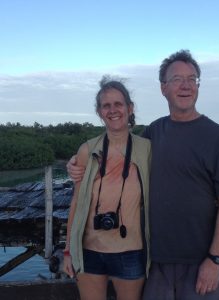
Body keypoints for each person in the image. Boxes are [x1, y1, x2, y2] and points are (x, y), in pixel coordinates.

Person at [68, 50, 219, 300]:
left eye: (192, 79)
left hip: (201, 262)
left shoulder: (218, 137)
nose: (185, 85)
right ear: (163, 88)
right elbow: (116, 147)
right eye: (177, 79)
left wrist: (215, 259)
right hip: (154, 263)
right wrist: (75, 164)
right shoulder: (152, 134)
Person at [63, 76, 151, 300]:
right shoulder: (87, 150)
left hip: (131, 251)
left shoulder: (146, 149)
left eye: (118, 104)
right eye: (106, 105)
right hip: (89, 251)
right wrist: (68, 251)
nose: (113, 110)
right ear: (99, 112)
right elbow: (76, 202)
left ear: (130, 108)